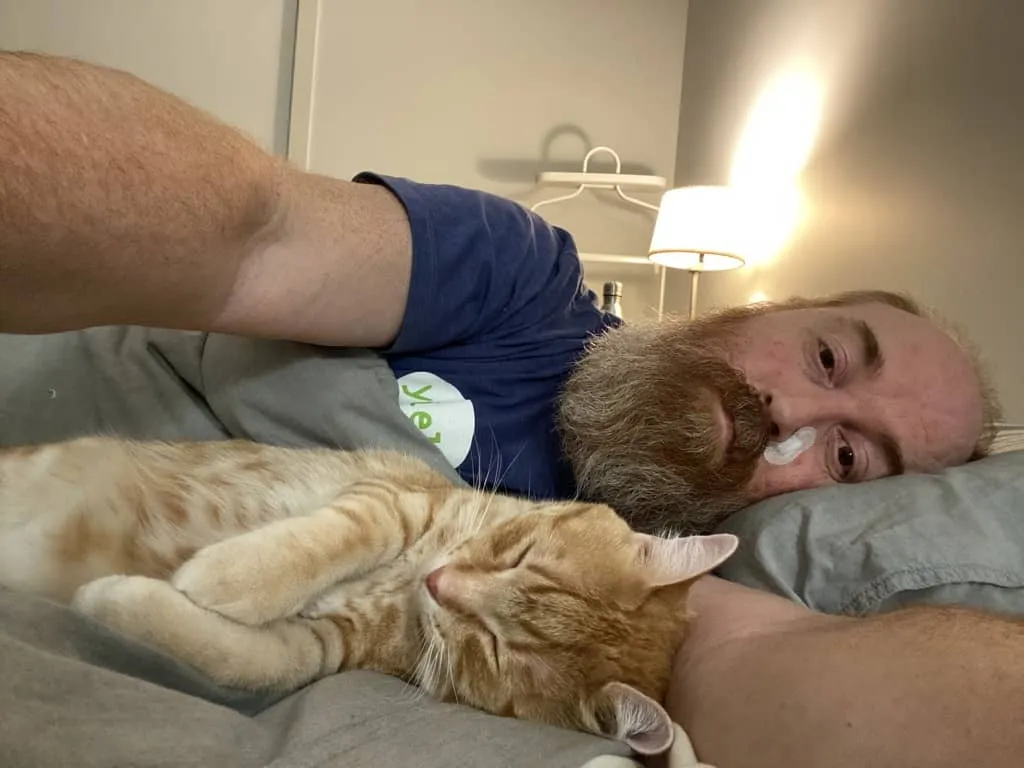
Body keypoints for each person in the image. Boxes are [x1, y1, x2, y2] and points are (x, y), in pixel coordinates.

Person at [2, 52, 1022, 767]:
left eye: (847, 459)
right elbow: (248, 235)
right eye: (827, 354)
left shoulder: (647, 612)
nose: (785, 407)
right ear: (768, 305)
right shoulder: (521, 280)